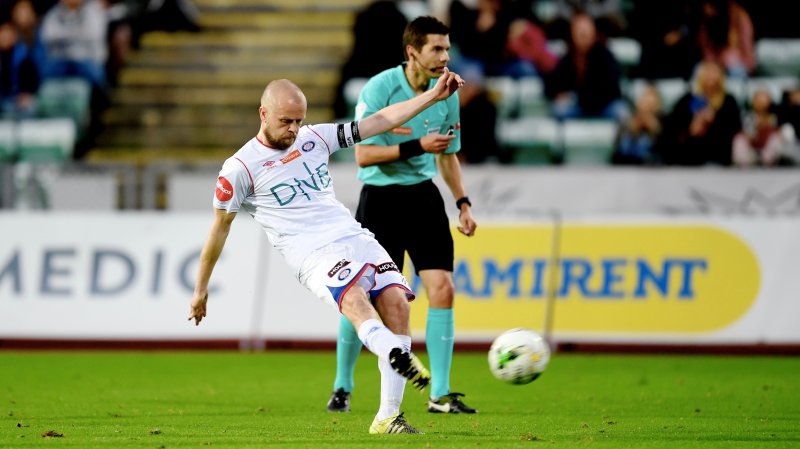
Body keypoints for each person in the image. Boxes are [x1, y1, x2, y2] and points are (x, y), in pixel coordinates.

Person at [188, 69, 465, 435]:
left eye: (298, 120)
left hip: (352, 235)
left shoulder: (314, 137)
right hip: (311, 253)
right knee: (354, 299)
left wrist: (432, 97)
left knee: (398, 303)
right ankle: (395, 353)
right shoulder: (239, 169)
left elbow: (377, 122)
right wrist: (200, 288)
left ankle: (388, 417)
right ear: (263, 114)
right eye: (285, 121)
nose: (293, 129)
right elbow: (219, 229)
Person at [325, 16, 479, 416]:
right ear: (412, 52)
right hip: (380, 199)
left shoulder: (448, 91)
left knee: (442, 288)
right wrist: (417, 147)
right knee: (362, 296)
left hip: (423, 198)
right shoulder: (378, 89)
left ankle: (439, 393)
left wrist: (462, 202)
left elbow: (447, 154)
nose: (445, 57)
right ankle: (343, 384)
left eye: (447, 48)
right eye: (437, 49)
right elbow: (363, 154)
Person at [544, 12, 628, 122]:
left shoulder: (605, 55)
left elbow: (611, 88)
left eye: (586, 30)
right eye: (579, 31)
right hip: (578, 106)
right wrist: (559, 94)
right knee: (559, 110)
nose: (583, 34)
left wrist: (582, 95)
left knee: (621, 111)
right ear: (572, 33)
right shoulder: (568, 57)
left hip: (603, 105)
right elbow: (551, 84)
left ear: (593, 32)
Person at [657, 60, 741, 166]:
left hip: (718, 152)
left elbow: (735, 127)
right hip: (689, 152)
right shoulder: (687, 99)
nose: (711, 76)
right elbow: (673, 125)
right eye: (707, 72)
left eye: (715, 72)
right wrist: (691, 127)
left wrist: (713, 121)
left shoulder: (729, 101)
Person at [611, 83, 664, 165]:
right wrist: (632, 131)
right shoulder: (628, 119)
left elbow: (668, 150)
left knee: (645, 142)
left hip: (654, 165)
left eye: (651, 98)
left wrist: (655, 130)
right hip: (626, 164)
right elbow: (617, 149)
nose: (647, 102)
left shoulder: (664, 120)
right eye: (645, 97)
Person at [732, 89, 786, 167]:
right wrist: (757, 127)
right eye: (758, 100)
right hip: (752, 150)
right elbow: (749, 137)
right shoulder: (749, 117)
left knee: (777, 138)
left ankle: (768, 162)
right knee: (739, 139)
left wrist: (768, 126)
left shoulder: (775, 117)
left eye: (764, 100)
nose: (761, 103)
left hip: (768, 152)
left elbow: (780, 134)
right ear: (753, 102)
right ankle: (746, 164)